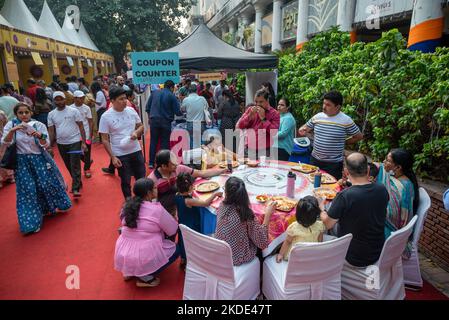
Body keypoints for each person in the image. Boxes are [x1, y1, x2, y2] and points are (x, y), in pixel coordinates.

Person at [1, 103, 72, 234]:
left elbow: (46, 144)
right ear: (16, 114)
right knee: (27, 190)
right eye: (20, 113)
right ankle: (30, 223)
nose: (23, 115)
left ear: (31, 113)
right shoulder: (10, 125)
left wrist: (39, 136)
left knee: (45, 184)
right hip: (21, 162)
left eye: (26, 112)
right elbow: (4, 143)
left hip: (39, 159)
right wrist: (12, 131)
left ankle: (48, 208)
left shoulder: (39, 125)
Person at [320, 153, 389, 267]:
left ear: (346, 172)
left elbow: (327, 224)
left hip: (352, 256)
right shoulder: (382, 189)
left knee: (320, 223)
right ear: (367, 170)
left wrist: (321, 209)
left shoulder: (345, 196)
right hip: (377, 251)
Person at [114, 178, 179, 287]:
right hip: (143, 254)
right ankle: (146, 277)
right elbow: (172, 229)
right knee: (177, 250)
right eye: (154, 188)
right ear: (149, 193)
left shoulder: (127, 206)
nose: (156, 189)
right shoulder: (156, 209)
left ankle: (129, 271)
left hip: (123, 252)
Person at [298, 91, 363, 180]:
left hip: (334, 165)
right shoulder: (317, 117)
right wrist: (302, 130)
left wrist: (344, 142)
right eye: (324, 103)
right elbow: (305, 128)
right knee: (312, 183)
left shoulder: (346, 120)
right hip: (314, 160)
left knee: (332, 188)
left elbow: (358, 136)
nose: (324, 107)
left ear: (338, 107)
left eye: (328, 105)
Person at [215, 177, 276, 266]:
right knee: (260, 247)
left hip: (221, 251)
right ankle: (261, 273)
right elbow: (262, 242)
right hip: (237, 258)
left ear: (226, 193)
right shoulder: (245, 213)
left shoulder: (222, 205)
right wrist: (267, 215)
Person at [99, 86, 145, 199]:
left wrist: (136, 133)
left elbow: (141, 126)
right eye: (121, 99)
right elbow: (104, 139)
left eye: (125, 98)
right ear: (112, 100)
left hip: (136, 150)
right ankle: (129, 203)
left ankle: (142, 202)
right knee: (125, 181)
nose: (125, 101)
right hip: (120, 154)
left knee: (142, 179)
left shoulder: (131, 110)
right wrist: (113, 157)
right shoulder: (105, 117)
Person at [149, 150, 226, 216]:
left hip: (181, 206)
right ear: (164, 166)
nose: (176, 165)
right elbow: (150, 203)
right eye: (172, 164)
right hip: (166, 212)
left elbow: (201, 173)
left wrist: (221, 171)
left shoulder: (178, 168)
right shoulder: (152, 180)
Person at [377, 148, 420, 257]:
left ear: (398, 167)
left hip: (391, 231)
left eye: (387, 161)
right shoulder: (394, 177)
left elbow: (391, 215)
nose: (384, 163)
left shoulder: (403, 187)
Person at [175, 173, 223, 268]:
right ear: (189, 187)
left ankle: (184, 260)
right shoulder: (188, 200)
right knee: (192, 243)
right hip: (191, 225)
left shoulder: (177, 195)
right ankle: (190, 263)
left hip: (183, 223)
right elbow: (206, 203)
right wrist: (215, 194)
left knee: (184, 242)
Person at [48, 92, 87, 197]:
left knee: (74, 164)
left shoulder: (74, 111)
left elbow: (81, 127)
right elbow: (51, 131)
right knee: (68, 165)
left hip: (74, 141)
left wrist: (83, 142)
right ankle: (77, 181)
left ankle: (75, 188)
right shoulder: (51, 114)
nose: (59, 101)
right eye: (57, 99)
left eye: (61, 99)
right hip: (61, 144)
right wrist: (49, 145)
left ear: (65, 99)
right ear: (54, 101)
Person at [276, 196, 325, 262]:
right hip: (311, 255)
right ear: (316, 214)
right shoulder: (320, 225)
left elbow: (287, 242)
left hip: (295, 257)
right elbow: (320, 242)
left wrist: (280, 254)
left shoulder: (294, 227)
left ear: (297, 214)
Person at [146, 80, 182, 168]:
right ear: (171, 87)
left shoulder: (154, 93)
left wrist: (149, 118)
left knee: (153, 141)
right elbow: (178, 112)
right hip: (165, 121)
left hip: (154, 120)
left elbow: (147, 108)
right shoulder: (171, 95)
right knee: (164, 142)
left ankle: (151, 162)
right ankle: (162, 163)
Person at [237, 90, 280, 160]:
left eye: (261, 102)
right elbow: (240, 125)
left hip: (265, 150)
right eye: (256, 102)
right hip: (249, 149)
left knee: (264, 170)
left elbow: (274, 132)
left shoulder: (275, 114)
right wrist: (250, 115)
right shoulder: (250, 110)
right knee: (247, 170)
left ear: (267, 101)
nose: (258, 104)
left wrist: (263, 118)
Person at [71, 91, 94, 179]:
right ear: (74, 98)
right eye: (79, 98)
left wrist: (90, 135)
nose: (81, 100)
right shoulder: (70, 108)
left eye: (82, 98)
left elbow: (90, 122)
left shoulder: (86, 108)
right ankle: (87, 161)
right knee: (76, 152)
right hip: (75, 134)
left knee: (87, 151)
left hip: (86, 133)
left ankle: (86, 169)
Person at [182, 84, 211, 149]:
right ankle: (203, 157)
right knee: (202, 143)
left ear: (189, 91)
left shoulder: (186, 99)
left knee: (192, 142)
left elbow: (182, 110)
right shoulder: (202, 99)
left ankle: (194, 157)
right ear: (197, 90)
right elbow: (207, 108)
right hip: (201, 123)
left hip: (190, 123)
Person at [0, 110, 14, 188]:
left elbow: (6, 125)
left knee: (4, 156)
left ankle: (8, 177)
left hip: (3, 138)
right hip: (3, 137)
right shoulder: (1, 113)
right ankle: (9, 176)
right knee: (4, 156)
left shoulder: (1, 113)